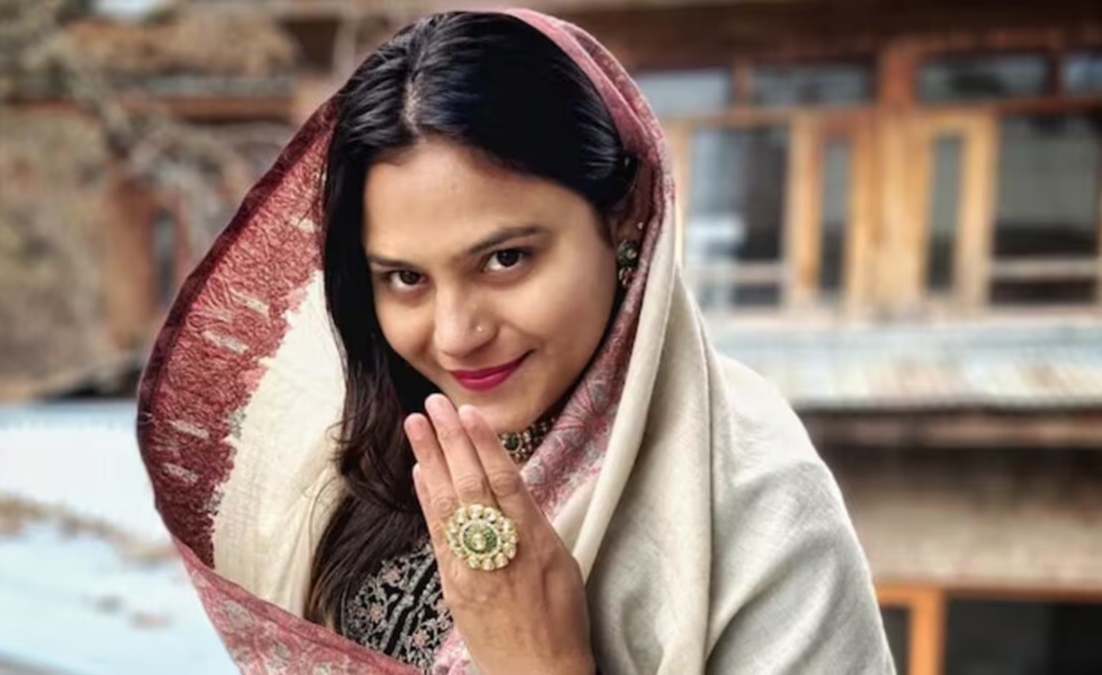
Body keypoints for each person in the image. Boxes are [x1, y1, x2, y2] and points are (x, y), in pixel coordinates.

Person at [136, 9, 895, 674]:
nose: (456, 336)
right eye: (405, 277)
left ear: (625, 214)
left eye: (505, 259)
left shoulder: (757, 507)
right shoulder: (352, 455)